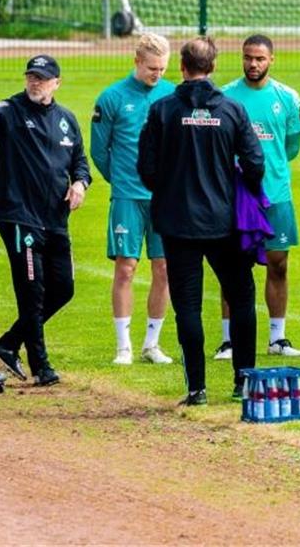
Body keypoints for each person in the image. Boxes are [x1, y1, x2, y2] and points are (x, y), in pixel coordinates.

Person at [137, 37, 265, 406]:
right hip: (226, 222)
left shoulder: (163, 110)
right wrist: (238, 187)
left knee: (188, 306)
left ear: (182, 65)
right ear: (213, 66)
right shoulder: (232, 109)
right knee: (241, 298)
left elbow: (145, 169)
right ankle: (244, 381)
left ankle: (197, 388)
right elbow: (256, 163)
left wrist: (171, 187)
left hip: (178, 223)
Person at [0, 55, 91, 387]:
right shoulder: (12, 110)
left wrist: (80, 183)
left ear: (56, 84)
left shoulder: (67, 120)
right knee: (32, 292)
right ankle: (41, 366)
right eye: (31, 77)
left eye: (42, 78)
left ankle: (8, 343)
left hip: (55, 220)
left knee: (63, 288)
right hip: (19, 217)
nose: (35, 83)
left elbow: (80, 162)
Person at [219, 35, 300, 359]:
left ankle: (277, 338)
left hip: (276, 193)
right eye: (247, 57)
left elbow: (291, 146)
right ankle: (228, 340)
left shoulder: (287, 98)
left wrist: (271, 169)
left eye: (259, 58)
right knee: (233, 266)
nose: (253, 64)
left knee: (279, 264)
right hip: (237, 195)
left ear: (272, 59)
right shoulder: (226, 96)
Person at [91, 33, 176, 366]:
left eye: (162, 68)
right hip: (128, 196)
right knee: (126, 269)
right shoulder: (112, 97)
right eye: (152, 68)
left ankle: (151, 344)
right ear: (137, 62)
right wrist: (123, 180)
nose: (157, 74)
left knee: (164, 269)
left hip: (165, 198)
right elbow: (100, 149)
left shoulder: (171, 95)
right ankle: (123, 346)